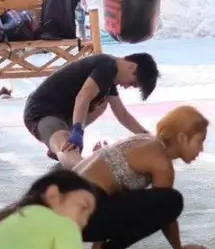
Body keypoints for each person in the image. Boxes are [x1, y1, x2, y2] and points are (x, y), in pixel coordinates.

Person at [74, 104, 212, 249]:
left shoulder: (144, 141)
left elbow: (115, 192)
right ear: (183, 138)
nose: (202, 149)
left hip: (72, 210)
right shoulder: (161, 162)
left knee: (142, 198)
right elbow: (165, 211)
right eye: (200, 141)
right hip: (81, 216)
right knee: (171, 201)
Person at [22, 52, 159, 169]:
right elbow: (83, 96)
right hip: (42, 112)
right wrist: (77, 132)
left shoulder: (110, 79)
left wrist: (146, 135)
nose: (127, 87)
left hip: (63, 114)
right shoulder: (107, 65)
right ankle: (64, 149)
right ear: (132, 66)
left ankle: (59, 145)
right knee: (68, 149)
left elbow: (121, 113)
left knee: (101, 105)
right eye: (132, 83)